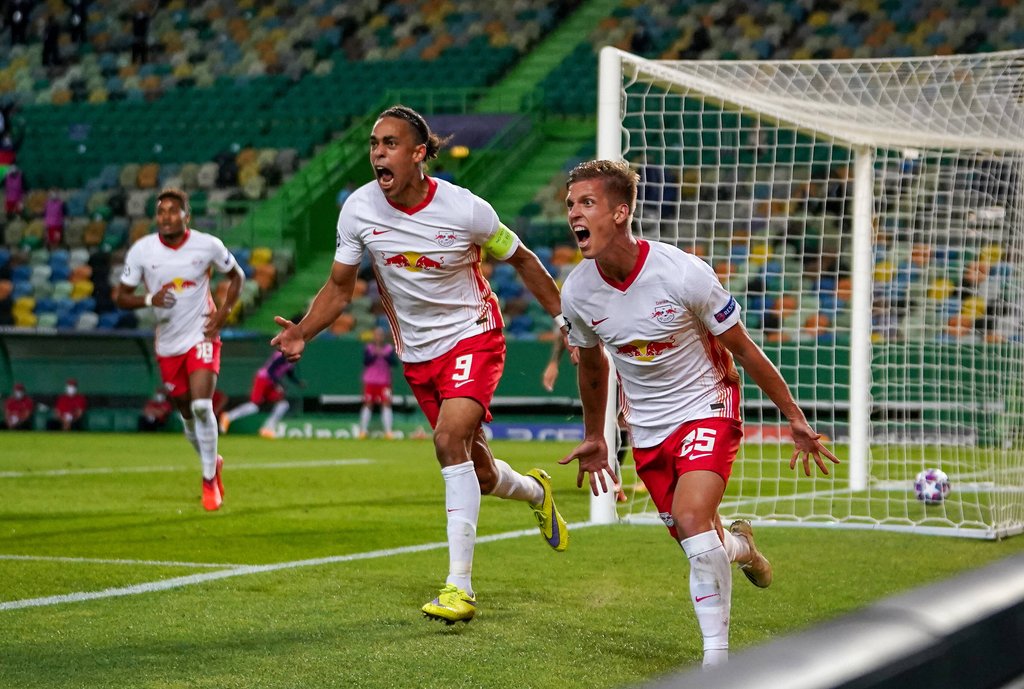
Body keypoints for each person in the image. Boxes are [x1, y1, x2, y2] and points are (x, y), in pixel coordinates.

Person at [271, 104, 569, 625]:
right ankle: (534, 490)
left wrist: (564, 318)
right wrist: (303, 330)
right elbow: (341, 287)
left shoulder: (466, 209)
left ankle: (460, 586)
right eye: (373, 144)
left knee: (447, 441)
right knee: (476, 467)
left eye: (389, 144)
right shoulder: (358, 210)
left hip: (474, 336)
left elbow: (520, 257)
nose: (377, 153)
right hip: (417, 354)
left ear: (418, 153)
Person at [557, 160, 839, 668]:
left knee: (690, 519)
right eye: (571, 204)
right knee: (699, 538)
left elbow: (746, 350)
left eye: (587, 202)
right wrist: (596, 435)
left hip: (708, 405)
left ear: (620, 212)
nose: (574, 213)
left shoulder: (682, 272)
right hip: (645, 427)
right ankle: (744, 548)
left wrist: (794, 415)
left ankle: (717, 664)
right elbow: (593, 366)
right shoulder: (578, 291)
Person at [114, 187, 245, 511]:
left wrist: (223, 313)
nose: (166, 217)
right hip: (169, 343)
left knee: (203, 406)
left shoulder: (208, 245)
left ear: (187, 215)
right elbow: (120, 295)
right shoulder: (142, 251)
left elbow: (236, 275)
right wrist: (149, 300)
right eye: (161, 212)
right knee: (187, 417)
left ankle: (208, 482)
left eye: (173, 211)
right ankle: (212, 462)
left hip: (202, 334)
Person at [219, 349, 304, 439]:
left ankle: (267, 429)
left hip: (272, 383)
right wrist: (279, 384)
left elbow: (289, 373)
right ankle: (228, 416)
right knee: (254, 406)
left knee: (283, 404)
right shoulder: (282, 355)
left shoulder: (293, 358)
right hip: (263, 379)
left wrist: (298, 382)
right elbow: (270, 370)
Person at [358, 326, 397, 438]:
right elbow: (366, 361)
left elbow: (393, 363)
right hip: (370, 380)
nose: (379, 337)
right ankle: (363, 431)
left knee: (386, 404)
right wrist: (375, 354)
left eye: (380, 335)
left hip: (384, 381)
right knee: (368, 404)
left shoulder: (388, 349)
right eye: (377, 335)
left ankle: (388, 431)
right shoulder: (369, 348)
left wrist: (385, 356)